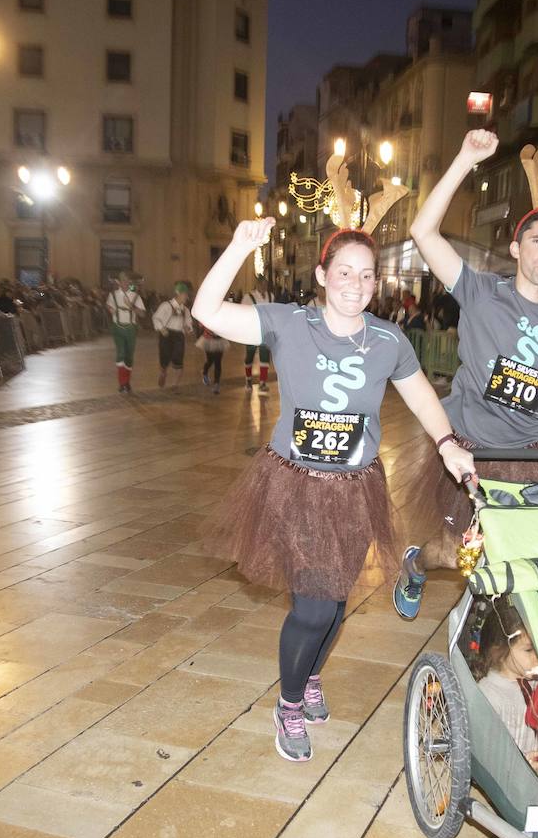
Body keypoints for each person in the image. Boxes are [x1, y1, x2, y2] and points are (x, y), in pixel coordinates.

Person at [194, 192, 475, 762]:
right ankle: (289, 704)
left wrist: (447, 444)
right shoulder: (287, 324)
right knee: (314, 607)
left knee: (337, 598)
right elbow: (208, 311)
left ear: (376, 282)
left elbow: (422, 396)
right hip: (294, 484)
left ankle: (312, 675)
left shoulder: (389, 341)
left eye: (366, 274)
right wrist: (238, 248)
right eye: (343, 271)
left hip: (356, 486)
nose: (355, 283)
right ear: (322, 275)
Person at [395, 131, 538, 620]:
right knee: (458, 551)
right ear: (516, 247)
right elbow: (423, 233)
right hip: (467, 447)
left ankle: (497, 639)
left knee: (521, 555)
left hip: (527, 454)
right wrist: (464, 159)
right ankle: (417, 564)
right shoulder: (481, 291)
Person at [469, 600, 538, 767]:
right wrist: (522, 763)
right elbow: (482, 753)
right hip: (510, 773)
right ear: (498, 652)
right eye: (529, 650)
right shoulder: (488, 695)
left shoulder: (536, 680)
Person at [106, 280, 146, 392]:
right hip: (117, 327)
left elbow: (142, 314)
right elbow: (108, 305)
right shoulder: (113, 295)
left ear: (130, 283)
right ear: (119, 282)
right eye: (122, 281)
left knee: (129, 355)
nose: (125, 284)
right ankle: (122, 383)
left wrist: (131, 306)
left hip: (130, 328)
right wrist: (111, 310)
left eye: (127, 281)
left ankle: (127, 382)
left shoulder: (135, 296)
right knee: (121, 353)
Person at [152, 281, 194, 389]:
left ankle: (175, 384)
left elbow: (188, 322)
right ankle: (163, 372)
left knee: (178, 360)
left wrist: (188, 328)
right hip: (166, 334)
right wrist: (161, 329)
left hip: (179, 336)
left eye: (187, 294)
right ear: (178, 293)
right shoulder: (166, 305)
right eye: (185, 294)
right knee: (164, 358)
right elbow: (156, 318)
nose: (187, 297)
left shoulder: (185, 310)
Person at [240, 278, 273, 392]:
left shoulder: (271, 296)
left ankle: (263, 382)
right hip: (252, 331)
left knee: (265, 357)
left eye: (266, 285)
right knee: (250, 356)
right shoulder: (248, 297)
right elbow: (242, 312)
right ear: (257, 284)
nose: (264, 287)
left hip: (265, 331)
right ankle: (248, 380)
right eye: (262, 284)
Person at [197, 322, 228, 394]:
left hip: (219, 340)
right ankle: (205, 372)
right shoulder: (207, 314)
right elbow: (201, 325)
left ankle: (216, 384)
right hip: (208, 339)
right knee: (210, 360)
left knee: (218, 362)